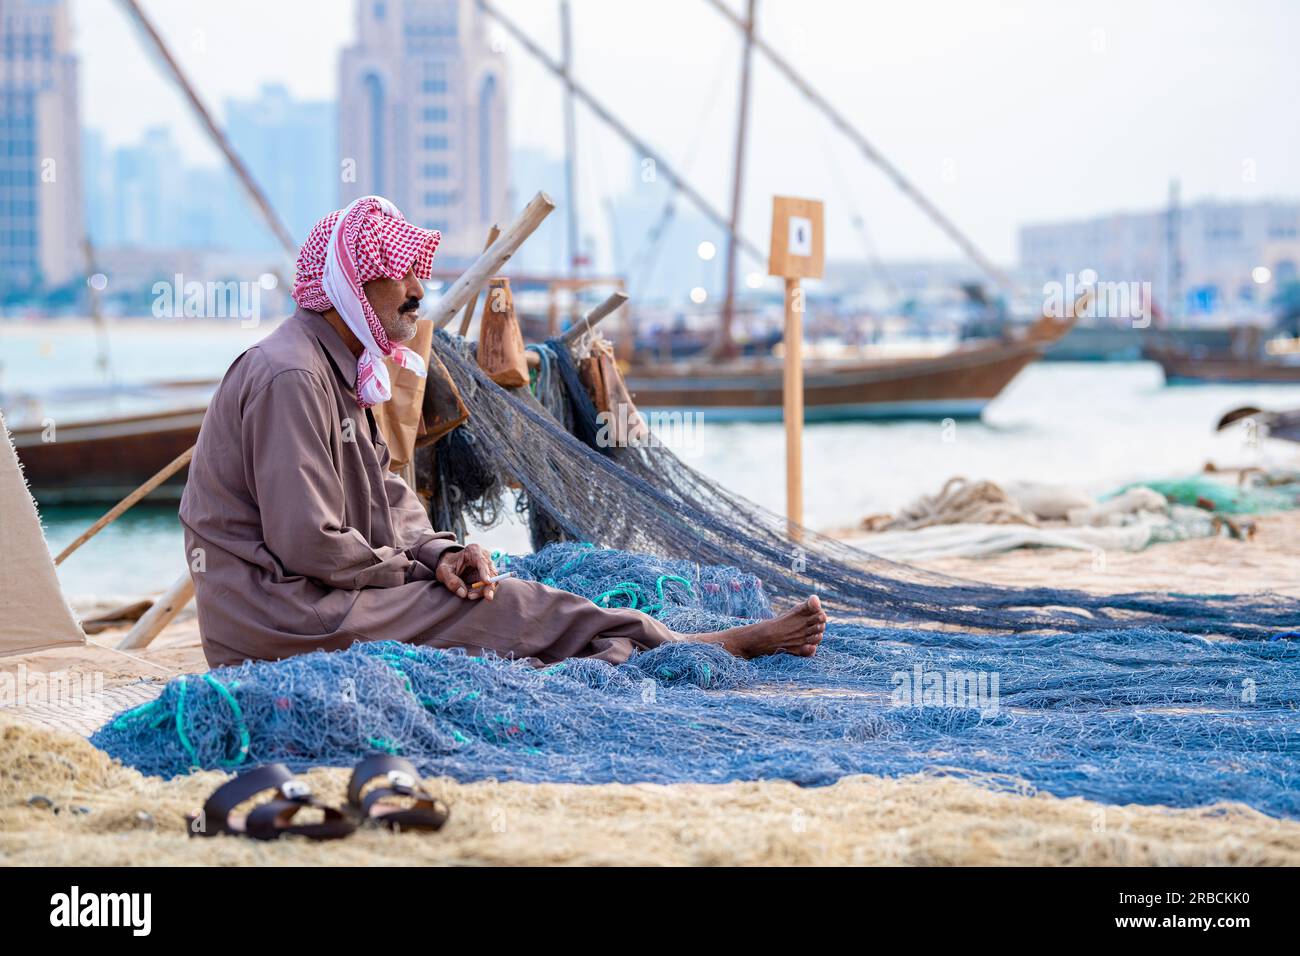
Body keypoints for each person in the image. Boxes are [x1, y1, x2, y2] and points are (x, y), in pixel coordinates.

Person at [179, 196, 826, 668]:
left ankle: (643, 643)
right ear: (351, 282)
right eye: (400, 274)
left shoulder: (341, 370)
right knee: (508, 607)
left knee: (500, 598)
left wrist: (441, 554)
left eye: (417, 274)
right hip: (283, 620)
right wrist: (417, 576)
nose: (415, 290)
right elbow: (309, 545)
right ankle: (692, 648)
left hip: (320, 598)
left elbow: (390, 496)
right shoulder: (291, 375)